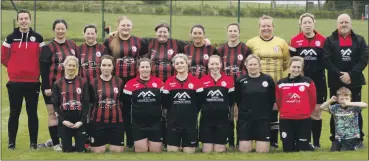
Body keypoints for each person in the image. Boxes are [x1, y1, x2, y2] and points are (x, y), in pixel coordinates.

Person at [1, 9, 45, 150]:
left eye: (26, 18)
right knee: (14, 112)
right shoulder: (9, 38)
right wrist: (15, 69)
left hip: (33, 82)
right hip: (15, 82)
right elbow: (3, 58)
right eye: (21, 19)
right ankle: (11, 143)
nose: (24, 21)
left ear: (30, 20)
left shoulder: (38, 38)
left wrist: (32, 70)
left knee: (32, 113)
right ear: (18, 20)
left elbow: (42, 58)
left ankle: (33, 143)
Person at [323, 13, 368, 149]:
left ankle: (358, 139)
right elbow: (326, 59)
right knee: (335, 110)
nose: (343, 25)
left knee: (356, 110)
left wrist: (351, 75)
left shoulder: (359, 40)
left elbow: (364, 58)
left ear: (350, 24)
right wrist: (340, 75)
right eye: (341, 22)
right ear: (337, 25)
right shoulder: (330, 40)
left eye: (346, 22)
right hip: (336, 81)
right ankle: (335, 138)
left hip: (354, 81)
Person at [246, 15, 290, 149]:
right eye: (263, 26)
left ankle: (274, 143)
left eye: (268, 26)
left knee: (273, 113)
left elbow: (286, 63)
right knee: (258, 113)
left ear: (273, 27)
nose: (266, 28)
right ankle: (255, 140)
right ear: (259, 27)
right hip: (257, 86)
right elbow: (247, 63)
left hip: (275, 85)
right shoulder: (251, 43)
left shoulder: (281, 42)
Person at [104, 16, 148, 148]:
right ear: (118, 26)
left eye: (128, 25)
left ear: (131, 27)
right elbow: (105, 61)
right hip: (115, 82)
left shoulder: (138, 41)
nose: (126, 28)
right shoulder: (110, 41)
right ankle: (114, 140)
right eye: (123, 25)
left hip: (133, 83)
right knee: (115, 110)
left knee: (131, 112)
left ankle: (130, 141)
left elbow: (145, 58)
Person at [39, 19, 78, 151]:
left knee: (66, 114)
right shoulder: (47, 48)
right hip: (52, 87)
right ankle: (56, 143)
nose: (60, 31)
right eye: (58, 29)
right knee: (53, 114)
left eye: (63, 29)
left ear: (66, 30)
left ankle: (65, 140)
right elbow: (43, 70)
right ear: (54, 30)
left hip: (69, 88)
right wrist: (46, 87)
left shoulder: (73, 45)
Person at [289, 13, 327, 149]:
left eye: (309, 22)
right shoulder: (294, 41)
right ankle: (303, 141)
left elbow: (326, 62)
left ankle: (316, 143)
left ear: (314, 23)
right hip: (300, 82)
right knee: (301, 111)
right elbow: (292, 62)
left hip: (319, 82)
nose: (307, 25)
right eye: (304, 22)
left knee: (316, 112)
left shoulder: (323, 40)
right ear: (300, 24)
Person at [218, 23, 252, 149]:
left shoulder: (245, 49)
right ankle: (231, 142)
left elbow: (250, 66)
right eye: (230, 31)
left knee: (240, 115)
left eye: (235, 31)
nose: (232, 33)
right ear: (227, 33)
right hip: (226, 87)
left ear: (239, 33)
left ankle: (240, 141)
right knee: (229, 115)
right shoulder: (221, 50)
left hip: (241, 87)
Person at [162, 54, 204, 153]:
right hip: (173, 122)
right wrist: (174, 111)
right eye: (177, 63)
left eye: (182, 63)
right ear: (174, 66)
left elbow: (200, 102)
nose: (180, 65)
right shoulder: (168, 82)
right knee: (172, 151)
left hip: (190, 122)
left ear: (187, 64)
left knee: (189, 152)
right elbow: (165, 102)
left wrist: (191, 111)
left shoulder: (196, 82)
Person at [235, 54, 275, 153]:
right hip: (245, 119)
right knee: (244, 150)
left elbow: (272, 99)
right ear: (246, 65)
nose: (252, 67)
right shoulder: (240, 80)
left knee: (262, 151)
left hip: (262, 119)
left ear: (259, 65)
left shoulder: (268, 79)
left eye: (255, 64)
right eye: (250, 64)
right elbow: (237, 100)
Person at [123, 58, 164, 152]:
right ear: (138, 68)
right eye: (142, 67)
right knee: (142, 151)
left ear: (151, 68)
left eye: (147, 67)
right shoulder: (130, 84)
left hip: (155, 123)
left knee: (155, 151)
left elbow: (164, 102)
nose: (145, 69)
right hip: (138, 124)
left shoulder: (159, 83)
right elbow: (126, 106)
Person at [275, 56, 316, 152]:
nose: (296, 69)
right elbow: (278, 101)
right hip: (286, 119)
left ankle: (307, 144)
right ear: (289, 67)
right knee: (288, 150)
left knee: (302, 149)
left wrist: (305, 112)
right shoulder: (281, 83)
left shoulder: (308, 82)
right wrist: (285, 111)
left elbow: (312, 100)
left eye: (298, 67)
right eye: (294, 67)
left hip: (303, 119)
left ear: (302, 68)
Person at [52, 56, 90, 153]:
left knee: (80, 150)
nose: (71, 68)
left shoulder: (83, 82)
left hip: (79, 120)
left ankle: (80, 141)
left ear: (77, 67)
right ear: (64, 66)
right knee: (67, 150)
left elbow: (86, 103)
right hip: (65, 121)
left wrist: (81, 121)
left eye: (74, 66)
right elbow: (56, 106)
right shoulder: (58, 83)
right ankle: (64, 142)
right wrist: (63, 121)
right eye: (69, 65)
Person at [88, 55, 125, 153]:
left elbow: (122, 101)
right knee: (98, 151)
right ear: (100, 67)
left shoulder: (119, 81)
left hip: (116, 122)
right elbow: (90, 103)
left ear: (113, 67)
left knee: (117, 151)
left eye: (109, 65)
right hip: (98, 121)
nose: (106, 68)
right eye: (104, 65)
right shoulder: (93, 83)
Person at [199, 55, 234, 153]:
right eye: (212, 64)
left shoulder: (229, 80)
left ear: (221, 65)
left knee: (219, 150)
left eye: (217, 64)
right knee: (207, 150)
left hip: (222, 119)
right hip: (206, 119)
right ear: (208, 65)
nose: (214, 66)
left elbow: (231, 100)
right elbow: (200, 100)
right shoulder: (202, 81)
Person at [320, 87, 368, 151]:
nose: (344, 100)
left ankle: (353, 146)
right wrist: (330, 100)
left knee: (344, 149)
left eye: (347, 98)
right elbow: (322, 107)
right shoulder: (335, 108)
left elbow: (365, 105)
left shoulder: (354, 107)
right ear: (338, 100)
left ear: (350, 99)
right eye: (342, 99)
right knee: (334, 150)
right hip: (339, 137)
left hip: (352, 137)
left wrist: (350, 103)